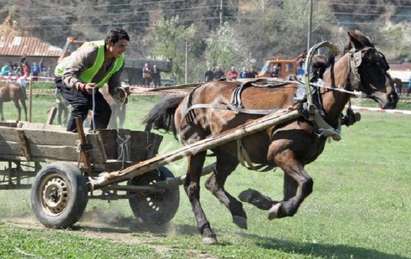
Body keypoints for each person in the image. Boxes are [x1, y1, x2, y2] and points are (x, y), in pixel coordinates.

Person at [54, 28, 130, 132]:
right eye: (121, 45)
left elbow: (113, 86)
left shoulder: (120, 60)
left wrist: (121, 93)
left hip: (88, 87)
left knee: (104, 111)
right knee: (81, 105)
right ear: (110, 43)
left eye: (126, 46)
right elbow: (68, 75)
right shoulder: (92, 51)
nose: (124, 49)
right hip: (65, 78)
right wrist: (82, 86)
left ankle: (95, 139)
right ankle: (70, 139)